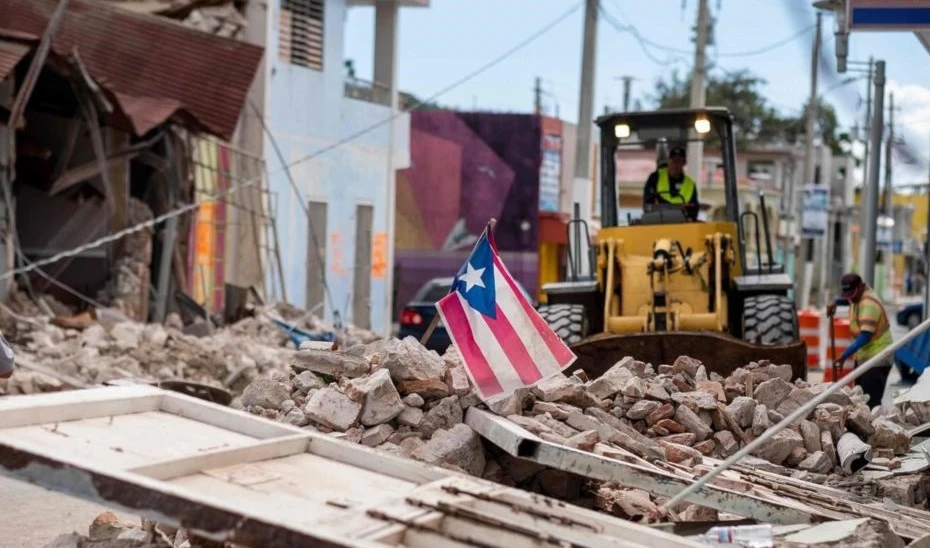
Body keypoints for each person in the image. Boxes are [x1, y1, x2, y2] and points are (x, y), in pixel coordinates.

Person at [827, 273, 893, 408]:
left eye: (852, 294)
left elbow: (865, 336)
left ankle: (874, 428)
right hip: (864, 356)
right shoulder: (857, 298)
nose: (850, 298)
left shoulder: (868, 304)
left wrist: (844, 356)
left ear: (861, 287)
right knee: (859, 401)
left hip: (878, 358)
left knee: (870, 403)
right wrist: (835, 302)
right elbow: (848, 300)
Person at [643, 146, 699, 221]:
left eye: (679, 161)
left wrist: (689, 219)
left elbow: (694, 209)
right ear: (668, 161)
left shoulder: (690, 184)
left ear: (684, 163)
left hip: (682, 225)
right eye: (673, 160)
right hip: (658, 223)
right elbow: (648, 204)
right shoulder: (655, 178)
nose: (676, 164)